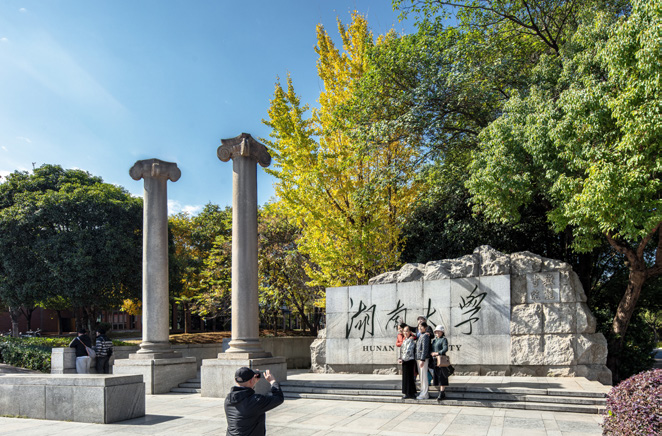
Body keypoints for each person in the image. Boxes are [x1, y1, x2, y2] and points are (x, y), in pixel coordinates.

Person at [224, 367, 284, 436]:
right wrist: (272, 381)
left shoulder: (228, 399)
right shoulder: (256, 401)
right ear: (251, 380)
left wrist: (252, 382)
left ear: (236, 381)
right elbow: (278, 398)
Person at [431, 324, 449, 402]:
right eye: (436, 331)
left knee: (442, 376)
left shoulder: (444, 339)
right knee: (437, 375)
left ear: (442, 332)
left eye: (439, 331)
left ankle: (442, 392)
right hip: (434, 360)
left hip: (441, 359)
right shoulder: (434, 340)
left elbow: (445, 348)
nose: (437, 333)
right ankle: (441, 391)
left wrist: (437, 353)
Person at [398, 325, 417, 399]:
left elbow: (409, 350)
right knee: (405, 377)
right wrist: (400, 358)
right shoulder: (404, 340)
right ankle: (406, 392)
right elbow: (402, 350)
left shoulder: (411, 340)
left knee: (410, 377)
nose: (405, 333)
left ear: (410, 332)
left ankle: (411, 393)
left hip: (410, 360)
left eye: (407, 331)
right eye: (404, 331)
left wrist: (403, 358)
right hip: (404, 361)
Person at [415, 322, 431, 400]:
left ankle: (425, 393)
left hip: (422, 359)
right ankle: (422, 391)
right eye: (419, 326)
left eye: (421, 326)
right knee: (421, 376)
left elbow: (425, 348)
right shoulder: (420, 335)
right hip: (418, 358)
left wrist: (422, 359)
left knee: (424, 376)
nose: (420, 328)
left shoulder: (425, 336)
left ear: (425, 328)